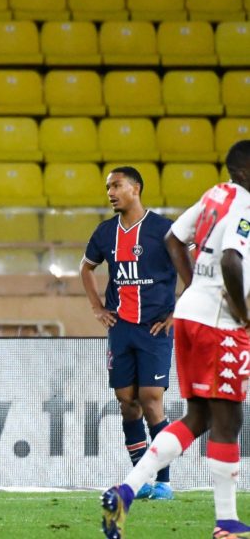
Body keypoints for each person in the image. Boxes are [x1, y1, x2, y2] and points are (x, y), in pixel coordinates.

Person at [101, 140, 250, 539]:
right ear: (246, 170)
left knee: (199, 417)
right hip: (219, 321)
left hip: (189, 315)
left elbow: (172, 238)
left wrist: (194, 285)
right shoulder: (246, 206)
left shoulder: (215, 195)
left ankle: (126, 491)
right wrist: (242, 313)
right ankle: (226, 523)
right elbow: (232, 260)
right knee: (228, 417)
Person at [81, 166, 178, 502]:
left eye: (117, 185)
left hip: (153, 328)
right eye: (108, 187)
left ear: (135, 188)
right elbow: (86, 267)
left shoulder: (163, 229)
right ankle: (141, 480)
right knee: (127, 403)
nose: (110, 192)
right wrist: (97, 307)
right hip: (121, 328)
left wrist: (174, 312)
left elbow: (190, 269)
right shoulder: (105, 233)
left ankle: (164, 481)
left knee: (152, 400)